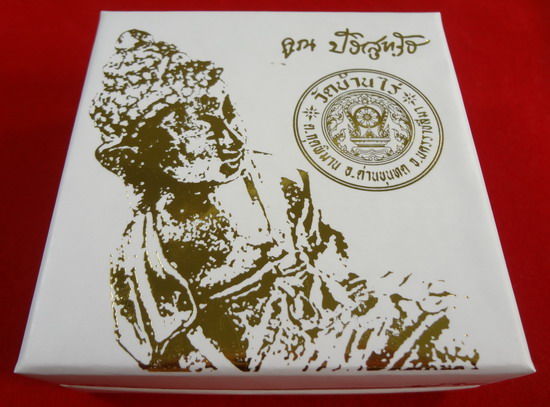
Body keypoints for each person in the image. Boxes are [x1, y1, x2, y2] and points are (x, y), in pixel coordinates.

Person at [90, 30, 478, 372]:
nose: (230, 139)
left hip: (337, 329)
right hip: (251, 362)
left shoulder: (279, 182)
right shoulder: (139, 252)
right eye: (201, 130)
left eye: (228, 113)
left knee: (445, 322)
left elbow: (333, 261)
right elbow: (160, 350)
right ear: (137, 155)